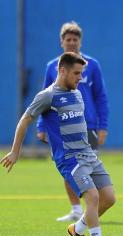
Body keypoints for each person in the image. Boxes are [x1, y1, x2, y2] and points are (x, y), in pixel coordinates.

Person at [1, 52, 116, 236]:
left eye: (81, 73)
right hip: (69, 159)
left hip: (88, 154)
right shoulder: (47, 96)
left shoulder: (77, 92)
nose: (80, 78)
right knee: (93, 196)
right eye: (77, 73)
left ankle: (77, 229)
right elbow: (24, 120)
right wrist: (15, 151)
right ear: (62, 71)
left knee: (109, 198)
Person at [37, 21, 109, 222]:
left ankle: (90, 210)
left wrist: (103, 125)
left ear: (80, 42)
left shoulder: (91, 65)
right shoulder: (52, 67)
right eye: (67, 39)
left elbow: (101, 96)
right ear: (61, 42)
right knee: (70, 168)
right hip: (60, 128)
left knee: (89, 169)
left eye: (75, 40)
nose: (71, 43)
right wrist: (41, 126)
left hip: (89, 125)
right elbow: (44, 98)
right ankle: (77, 210)